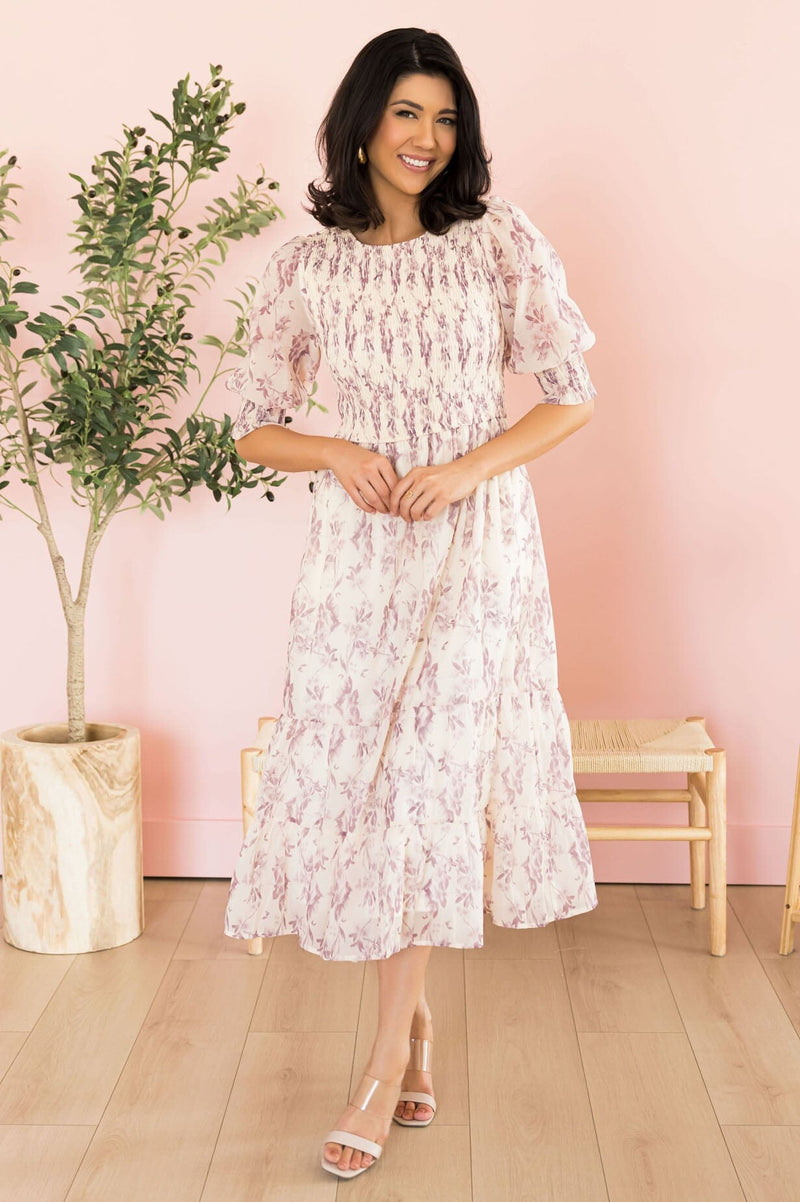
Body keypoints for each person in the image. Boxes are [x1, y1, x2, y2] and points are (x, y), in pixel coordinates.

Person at [223, 26, 600, 1182]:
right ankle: (419, 1025)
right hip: (357, 560)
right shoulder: (308, 264)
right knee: (369, 788)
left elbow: (571, 395)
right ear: (361, 123)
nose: (425, 138)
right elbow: (249, 426)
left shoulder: (496, 242)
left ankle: (385, 1059)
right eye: (404, 113)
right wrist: (337, 450)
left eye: (443, 117)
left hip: (474, 550)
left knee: (430, 789)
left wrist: (469, 468)